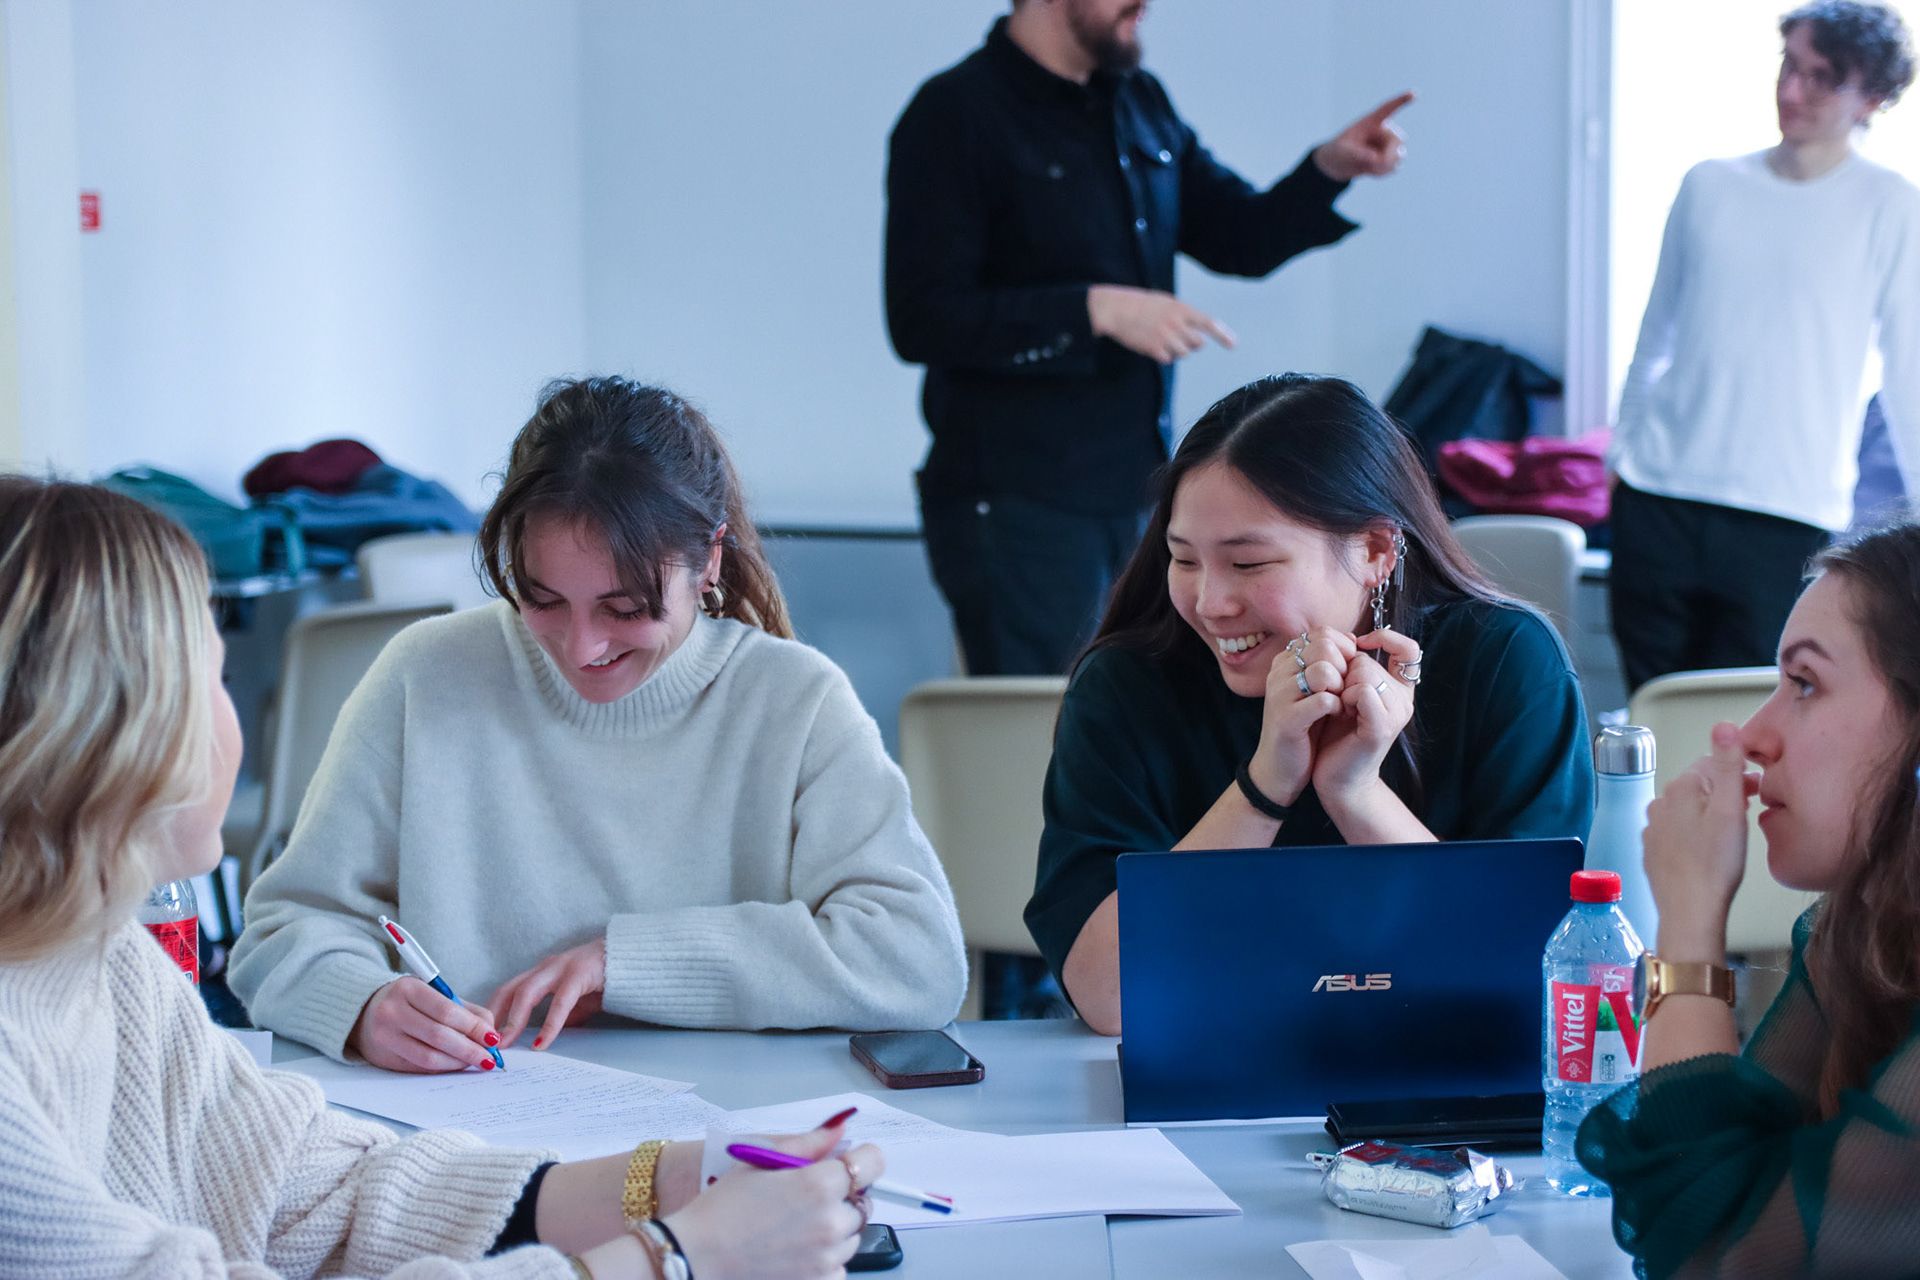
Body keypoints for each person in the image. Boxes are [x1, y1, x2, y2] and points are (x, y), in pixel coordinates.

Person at [0, 476, 883, 1280]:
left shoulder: (106, 962)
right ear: (102, 730)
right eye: (216, 679)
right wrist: (676, 1261)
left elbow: (316, 1190)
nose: (583, 646)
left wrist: (674, 1179)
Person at [232, 378, 967, 1073]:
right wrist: (361, 1006)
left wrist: (627, 964)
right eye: (541, 598)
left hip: (733, 1136)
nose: (581, 649)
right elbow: (282, 929)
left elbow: (917, 960)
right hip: (477, 1134)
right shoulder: (428, 675)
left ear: (707, 560)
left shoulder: (795, 701)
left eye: (625, 609)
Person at [1027, 374, 1595, 1036]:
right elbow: (1109, 998)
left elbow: (1533, 971)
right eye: (1183, 560)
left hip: (1440, 1077)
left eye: (1249, 565)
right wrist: (1267, 782)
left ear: (1376, 550)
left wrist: (1354, 791)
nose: (1210, 603)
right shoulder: (1130, 683)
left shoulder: (1505, 662)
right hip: (1202, 1079)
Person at [886, 0, 1412, 679]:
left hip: (1138, 494)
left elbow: (1238, 237)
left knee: (1143, 716)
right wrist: (1092, 310)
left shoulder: (1140, 101)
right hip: (1016, 504)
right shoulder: (953, 114)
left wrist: (1329, 169)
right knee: (1048, 728)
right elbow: (922, 317)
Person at [1578, 521, 1920, 1278]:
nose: (1752, 732)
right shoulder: (1857, 929)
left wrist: (1691, 924)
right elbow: (1714, 1192)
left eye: (1804, 684)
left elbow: (1720, 1262)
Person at [1609, 1, 1920, 693]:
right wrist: (1619, 457)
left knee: (1738, 733)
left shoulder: (1892, 206)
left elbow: (1909, 376)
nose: (1791, 91)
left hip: (1786, 521)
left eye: (1820, 78)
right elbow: (1653, 336)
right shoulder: (1709, 184)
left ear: (1872, 96)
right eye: (1789, 65)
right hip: (1658, 499)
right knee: (1651, 716)